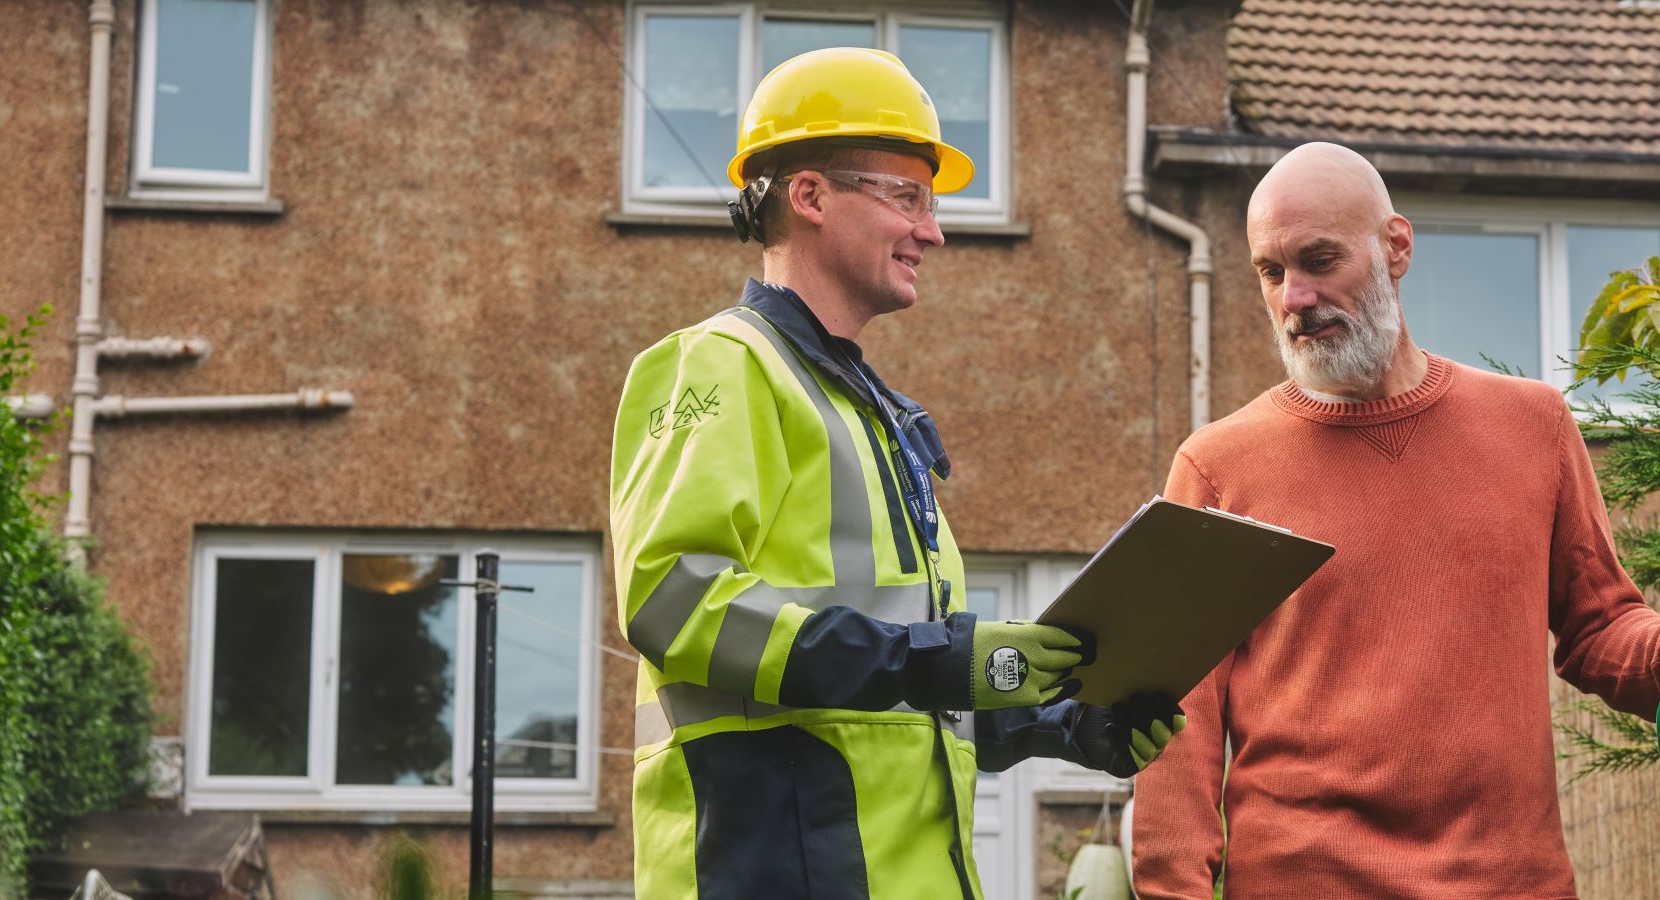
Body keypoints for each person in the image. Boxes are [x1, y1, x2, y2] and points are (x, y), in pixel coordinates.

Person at [609, 48, 1183, 899]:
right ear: (808, 196)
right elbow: (673, 601)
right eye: (906, 196)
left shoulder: (873, 416)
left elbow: (906, 698)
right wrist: (944, 659)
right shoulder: (719, 365)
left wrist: (1067, 724)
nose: (933, 229)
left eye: (933, 202)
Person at [1130, 141, 1660, 897]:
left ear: (1396, 247)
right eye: (1272, 273)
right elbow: (1175, 718)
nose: (1295, 299)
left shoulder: (1533, 425)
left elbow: (1600, 628)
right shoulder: (1218, 466)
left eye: (1320, 261)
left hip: (1513, 883)